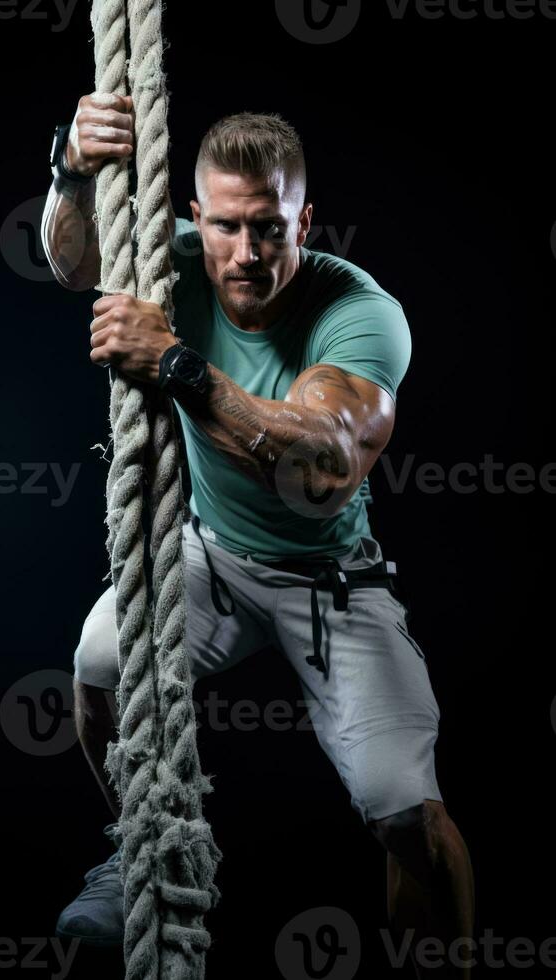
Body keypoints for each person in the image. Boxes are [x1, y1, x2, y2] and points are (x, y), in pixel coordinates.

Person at [41, 92, 475, 977]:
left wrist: (175, 366)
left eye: (271, 230)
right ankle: (139, 846)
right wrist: (71, 172)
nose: (247, 255)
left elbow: (319, 465)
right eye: (228, 228)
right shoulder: (176, 262)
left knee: (403, 812)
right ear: (195, 217)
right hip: (208, 556)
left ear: (303, 221)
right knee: (95, 668)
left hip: (329, 582)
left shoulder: (357, 311)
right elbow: (72, 260)